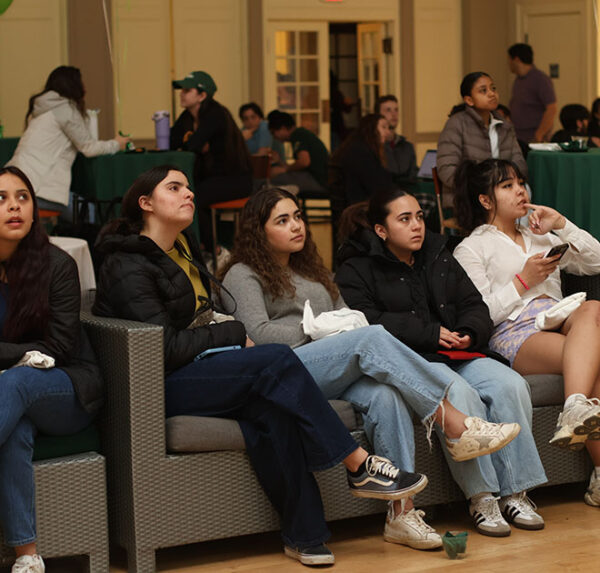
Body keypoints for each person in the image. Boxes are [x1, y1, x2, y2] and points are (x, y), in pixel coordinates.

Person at [92, 165, 429, 567]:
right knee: (276, 360)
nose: (189, 194)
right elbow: (163, 346)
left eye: (188, 187)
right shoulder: (127, 263)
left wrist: (222, 332)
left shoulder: (181, 248)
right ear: (146, 203)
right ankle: (357, 464)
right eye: (174, 187)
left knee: (275, 407)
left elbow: (199, 317)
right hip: (161, 381)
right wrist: (232, 333)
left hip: (204, 365)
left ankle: (305, 536)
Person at [220, 186, 522, 548]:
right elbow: (258, 334)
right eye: (282, 221)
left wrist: (336, 330)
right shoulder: (242, 273)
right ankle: (454, 423)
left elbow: (346, 314)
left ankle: (401, 513)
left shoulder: (312, 270)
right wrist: (317, 331)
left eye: (297, 217)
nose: (296, 226)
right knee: (369, 338)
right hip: (283, 371)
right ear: (259, 230)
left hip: (328, 364)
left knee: (386, 395)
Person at [335, 190, 547, 537]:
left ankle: (515, 493)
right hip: (414, 359)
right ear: (381, 230)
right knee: (460, 394)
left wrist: (467, 331)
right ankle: (482, 497)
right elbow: (367, 323)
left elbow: (474, 305)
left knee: (511, 384)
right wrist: (432, 334)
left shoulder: (439, 253)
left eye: (419, 216)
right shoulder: (357, 268)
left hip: (461, 352)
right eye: (405, 219)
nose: (417, 226)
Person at [452, 158, 600, 508]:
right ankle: (598, 475)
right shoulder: (471, 248)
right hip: (514, 331)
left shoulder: (541, 234)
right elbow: (479, 315)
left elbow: (596, 262)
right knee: (594, 355)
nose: (520, 191)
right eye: (507, 185)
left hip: (562, 317)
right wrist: (523, 282)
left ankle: (574, 408)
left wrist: (562, 224)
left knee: (594, 308)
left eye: (521, 182)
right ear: (486, 200)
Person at [0, 166, 103, 573]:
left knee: (21, 381)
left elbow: (58, 348)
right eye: (1, 199)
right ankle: (28, 556)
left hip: (67, 387)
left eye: (22, 197)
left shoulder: (57, 265)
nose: (14, 206)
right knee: (15, 430)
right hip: (11, 397)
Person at [6, 66, 128, 216]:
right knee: (89, 214)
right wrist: (117, 144)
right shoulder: (65, 110)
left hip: (13, 182)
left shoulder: (42, 109)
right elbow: (88, 148)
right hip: (37, 189)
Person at [170, 71, 252, 249]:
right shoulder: (187, 116)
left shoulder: (216, 114)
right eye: (181, 90)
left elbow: (192, 144)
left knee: (192, 196)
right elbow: (173, 142)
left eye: (187, 90)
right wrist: (194, 143)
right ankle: (200, 246)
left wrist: (194, 143)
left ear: (202, 95)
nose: (181, 94)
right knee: (185, 194)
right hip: (212, 179)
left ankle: (213, 249)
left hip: (235, 180)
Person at [436, 72, 527, 207]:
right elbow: (446, 170)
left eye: (493, 88)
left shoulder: (505, 126)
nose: (491, 94)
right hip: (468, 197)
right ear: (469, 100)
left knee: (525, 193)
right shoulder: (456, 124)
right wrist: (482, 186)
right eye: (483, 91)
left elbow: (519, 164)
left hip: (503, 194)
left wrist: (506, 185)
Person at [328, 113, 395, 230]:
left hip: (349, 208)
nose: (387, 132)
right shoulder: (361, 153)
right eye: (383, 127)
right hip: (359, 210)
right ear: (371, 129)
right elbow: (379, 186)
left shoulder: (355, 147)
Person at [267, 111, 329, 193]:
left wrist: (284, 169)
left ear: (283, 128)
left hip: (318, 180)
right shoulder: (301, 133)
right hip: (319, 178)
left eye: (273, 133)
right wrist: (280, 162)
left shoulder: (298, 134)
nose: (274, 137)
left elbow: (304, 162)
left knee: (273, 179)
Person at [508, 43, 557, 144]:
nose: (508, 63)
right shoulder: (518, 80)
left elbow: (551, 108)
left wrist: (539, 134)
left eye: (509, 59)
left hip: (533, 137)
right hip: (518, 135)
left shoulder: (540, 79)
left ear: (516, 60)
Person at [375, 95, 418, 184]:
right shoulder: (374, 146)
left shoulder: (407, 146)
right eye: (388, 110)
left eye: (396, 110)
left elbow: (413, 175)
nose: (394, 114)